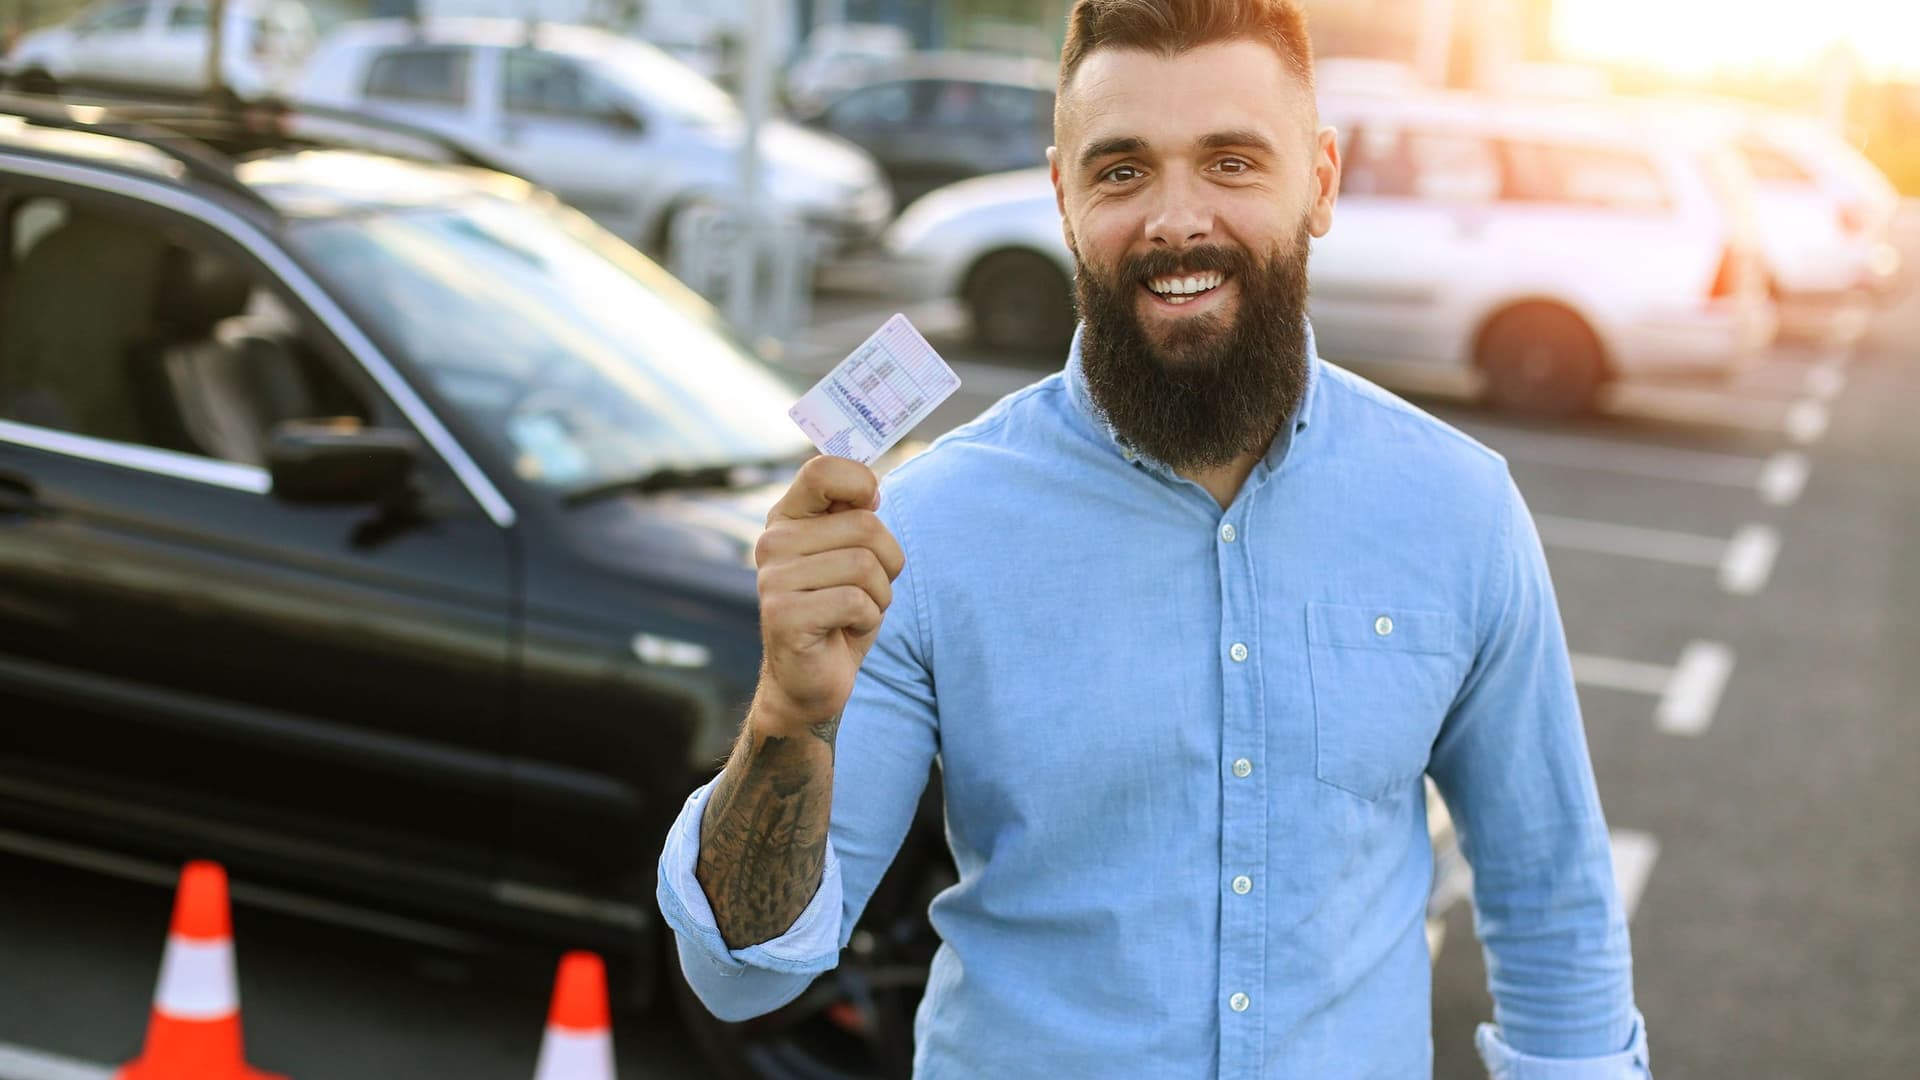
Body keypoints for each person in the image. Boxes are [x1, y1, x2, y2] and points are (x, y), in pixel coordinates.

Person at [657, 0, 1651, 1074]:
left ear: (1319, 182)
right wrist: (785, 718)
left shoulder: (1459, 508)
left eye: (1230, 161)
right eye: (1123, 170)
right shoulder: (924, 530)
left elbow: (1553, 905)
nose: (1177, 219)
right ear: (1063, 196)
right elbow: (744, 973)